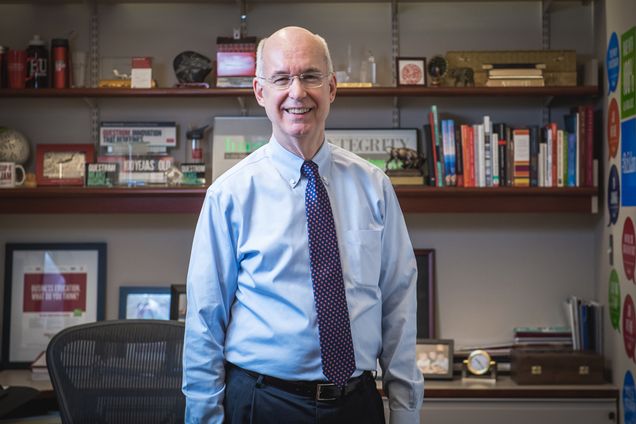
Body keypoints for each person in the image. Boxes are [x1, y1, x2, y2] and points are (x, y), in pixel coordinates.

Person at [183, 26, 423, 424]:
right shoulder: (230, 195)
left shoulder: (374, 186)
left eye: (310, 76)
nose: (297, 92)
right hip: (263, 403)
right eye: (281, 78)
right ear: (260, 92)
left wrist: (406, 412)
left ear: (331, 88)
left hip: (357, 403)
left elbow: (398, 305)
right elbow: (205, 322)